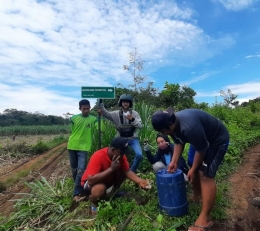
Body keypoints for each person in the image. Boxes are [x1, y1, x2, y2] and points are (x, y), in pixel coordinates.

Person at [151, 108, 229, 231]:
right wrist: (174, 162)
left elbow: (202, 150)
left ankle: (205, 219)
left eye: (163, 131)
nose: (164, 134)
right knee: (192, 162)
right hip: (200, 139)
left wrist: (192, 170)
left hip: (216, 141)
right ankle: (197, 195)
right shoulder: (172, 123)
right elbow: (178, 142)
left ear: (170, 124)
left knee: (205, 174)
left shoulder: (190, 127)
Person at [81, 136, 150, 215]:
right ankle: (94, 203)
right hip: (92, 185)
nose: (123, 155)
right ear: (113, 150)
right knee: (99, 189)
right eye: (121, 152)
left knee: (123, 171)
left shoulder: (120, 156)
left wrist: (140, 181)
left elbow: (127, 171)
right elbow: (91, 181)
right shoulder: (98, 156)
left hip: (106, 181)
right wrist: (111, 169)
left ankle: (113, 192)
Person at [99, 94, 143, 173]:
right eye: (124, 102)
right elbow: (106, 114)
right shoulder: (115, 114)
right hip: (120, 138)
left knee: (139, 154)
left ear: (130, 103)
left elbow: (140, 125)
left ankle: (132, 170)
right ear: (121, 103)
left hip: (133, 138)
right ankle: (117, 170)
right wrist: (101, 104)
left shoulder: (135, 114)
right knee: (116, 155)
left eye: (127, 102)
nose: (125, 103)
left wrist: (132, 119)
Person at [67, 99, 101, 201]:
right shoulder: (74, 118)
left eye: (88, 108)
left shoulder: (93, 119)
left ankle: (76, 193)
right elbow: (72, 130)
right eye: (84, 109)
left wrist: (100, 117)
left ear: (90, 108)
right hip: (72, 146)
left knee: (81, 170)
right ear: (80, 109)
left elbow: (101, 129)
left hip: (84, 148)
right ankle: (79, 186)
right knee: (74, 169)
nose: (86, 110)